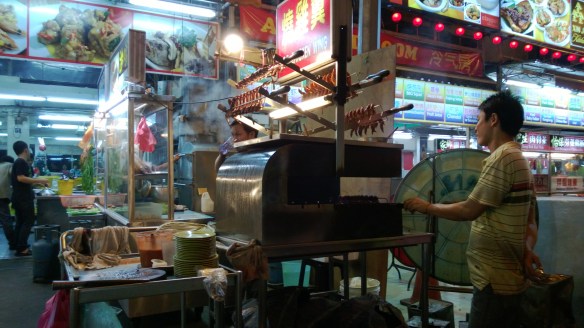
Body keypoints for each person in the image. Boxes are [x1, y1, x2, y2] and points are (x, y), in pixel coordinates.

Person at [403, 90, 542, 328]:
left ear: (493, 120)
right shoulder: (519, 159)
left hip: (494, 282)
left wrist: (427, 207)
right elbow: (530, 219)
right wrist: (527, 249)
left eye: (479, 120)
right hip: (509, 277)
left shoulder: (503, 159)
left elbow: (469, 210)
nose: (476, 127)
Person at [11, 141, 49, 256]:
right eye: (28, 150)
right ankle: (22, 248)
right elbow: (21, 178)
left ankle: (17, 245)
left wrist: (36, 184)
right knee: (28, 221)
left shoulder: (18, 162)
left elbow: (23, 181)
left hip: (19, 197)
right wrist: (40, 180)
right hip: (23, 198)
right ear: (26, 150)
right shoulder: (21, 162)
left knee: (20, 222)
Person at [0, 155, 15, 250]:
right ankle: (13, 243)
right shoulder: (10, 165)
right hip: (2, 196)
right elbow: (16, 179)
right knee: (6, 221)